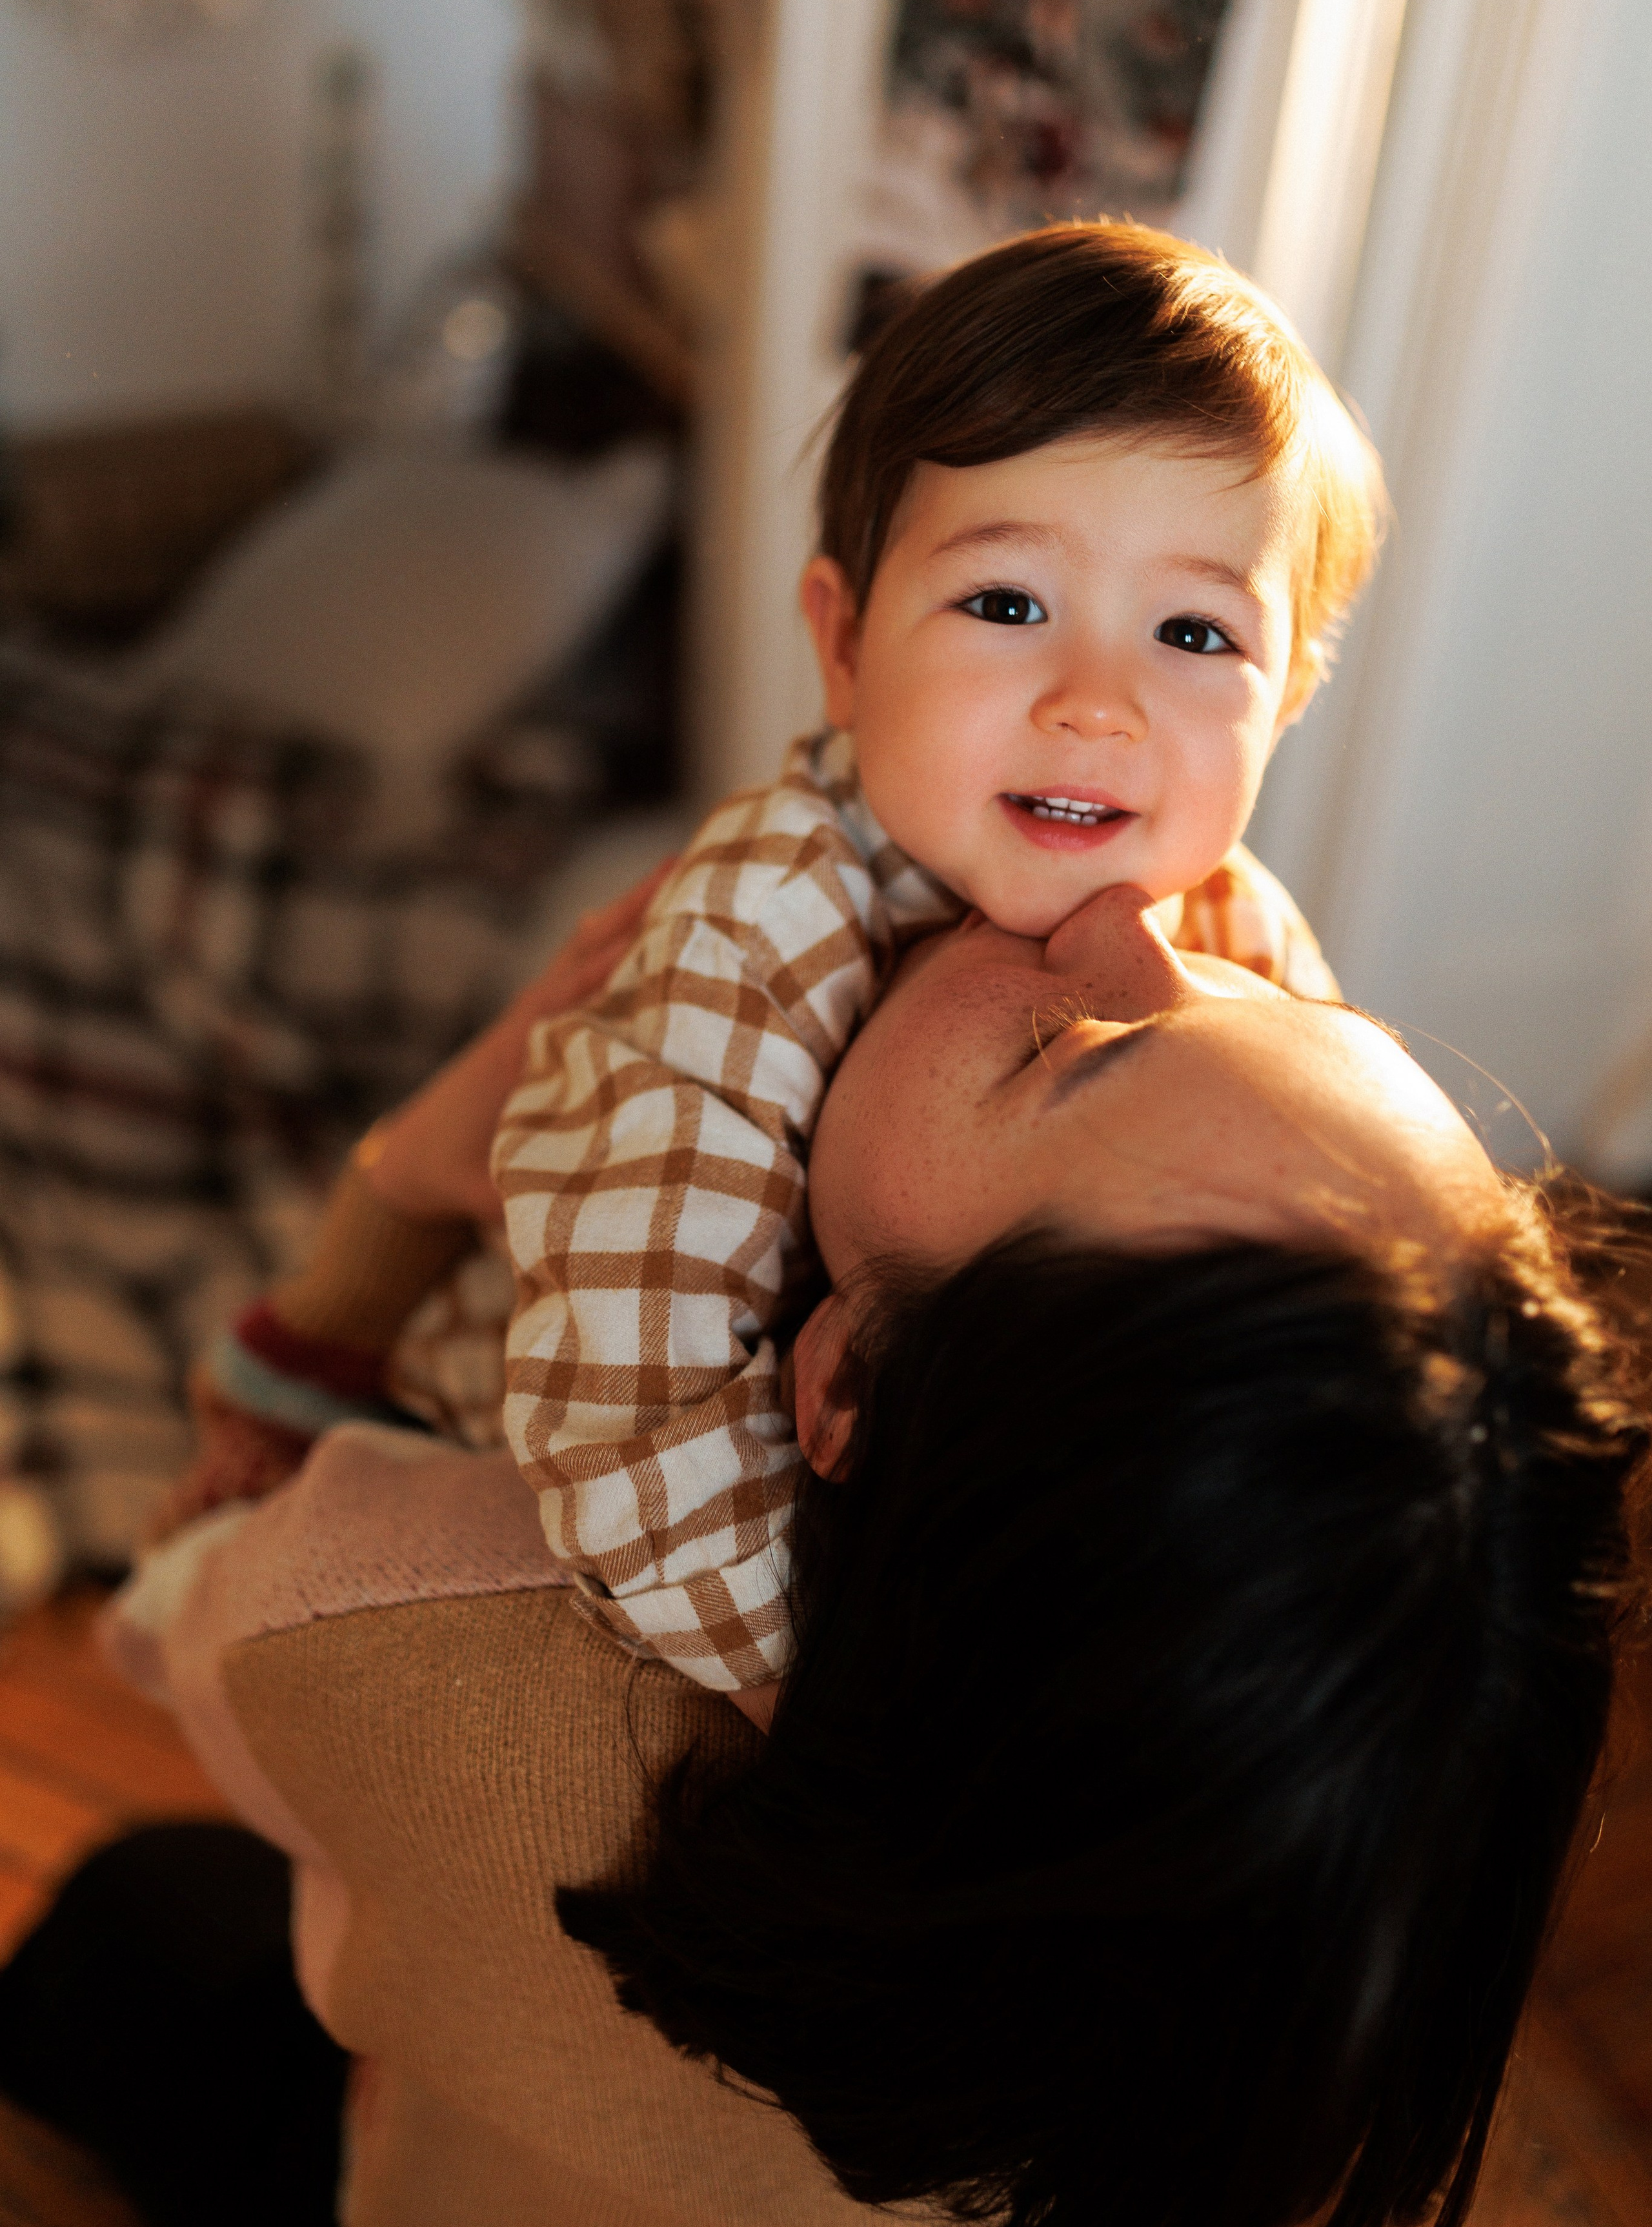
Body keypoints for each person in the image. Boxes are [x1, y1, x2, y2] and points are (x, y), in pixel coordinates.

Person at [61, 877, 1644, 2227]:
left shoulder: (415, 1619)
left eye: (1065, 1051)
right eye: (1298, 1001)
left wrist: (403, 1199)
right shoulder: (1366, 1864)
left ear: (843, 1394)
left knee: (124, 1919)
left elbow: (186, 1582)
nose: (1132, 911)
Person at [164, 220, 1383, 1700]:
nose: (1096, 703)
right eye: (1008, 604)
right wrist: (825, 1712)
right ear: (845, 643)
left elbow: (1334, 1249)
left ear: (1288, 694)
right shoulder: (766, 917)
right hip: (558, 1499)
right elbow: (628, 1427)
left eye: (1192, 632)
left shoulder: (1235, 932)